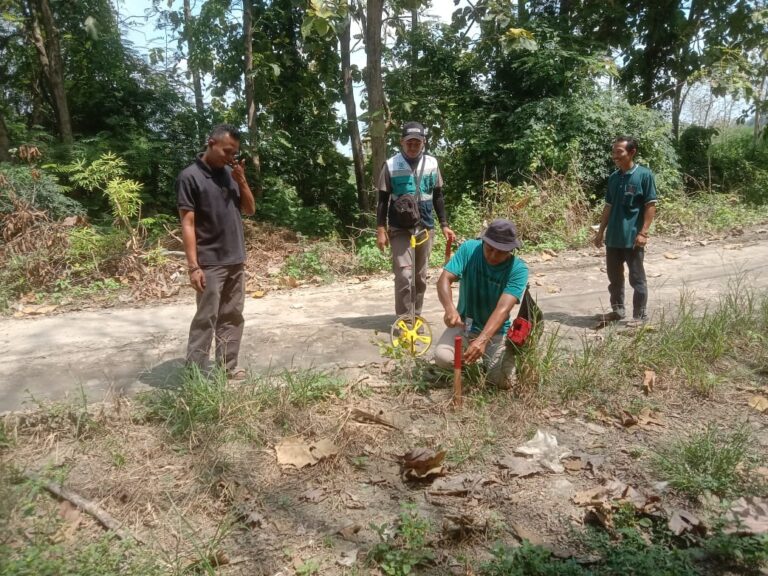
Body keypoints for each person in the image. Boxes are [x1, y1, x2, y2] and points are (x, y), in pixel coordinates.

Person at [177, 124, 256, 379]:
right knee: (206, 318)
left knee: (232, 316)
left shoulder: (229, 174)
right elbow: (187, 223)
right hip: (210, 262)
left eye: (234, 152)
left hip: (235, 258)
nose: (231, 157)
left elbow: (250, 210)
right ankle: (196, 375)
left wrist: (241, 180)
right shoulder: (190, 177)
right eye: (226, 151)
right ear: (211, 143)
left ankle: (227, 368)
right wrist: (193, 266)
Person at [434, 219, 529, 389]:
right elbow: (444, 280)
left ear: (511, 250)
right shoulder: (469, 249)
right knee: (443, 358)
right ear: (483, 241)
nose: (493, 255)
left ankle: (491, 360)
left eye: (500, 252)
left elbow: (503, 308)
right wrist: (449, 309)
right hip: (465, 325)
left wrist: (483, 340)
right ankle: (470, 366)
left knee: (504, 380)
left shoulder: (518, 269)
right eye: (489, 249)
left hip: (495, 333)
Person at [376, 121, 456, 318]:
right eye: (409, 143)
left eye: (417, 143)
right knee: (404, 276)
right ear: (401, 142)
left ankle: (416, 317)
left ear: (424, 143)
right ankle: (404, 321)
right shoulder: (391, 165)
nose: (413, 147)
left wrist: (444, 225)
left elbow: (437, 196)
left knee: (419, 277)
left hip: (425, 226)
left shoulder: (432, 164)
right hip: (399, 227)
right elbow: (382, 200)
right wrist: (380, 229)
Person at [594, 136, 658, 323]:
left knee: (637, 278)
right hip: (614, 238)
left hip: (632, 238)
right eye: (613, 151)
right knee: (614, 279)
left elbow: (650, 205)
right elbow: (608, 206)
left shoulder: (644, 175)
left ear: (632, 152)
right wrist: (600, 232)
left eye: (619, 152)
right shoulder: (614, 178)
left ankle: (639, 315)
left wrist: (643, 232)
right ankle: (618, 311)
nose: (615, 155)